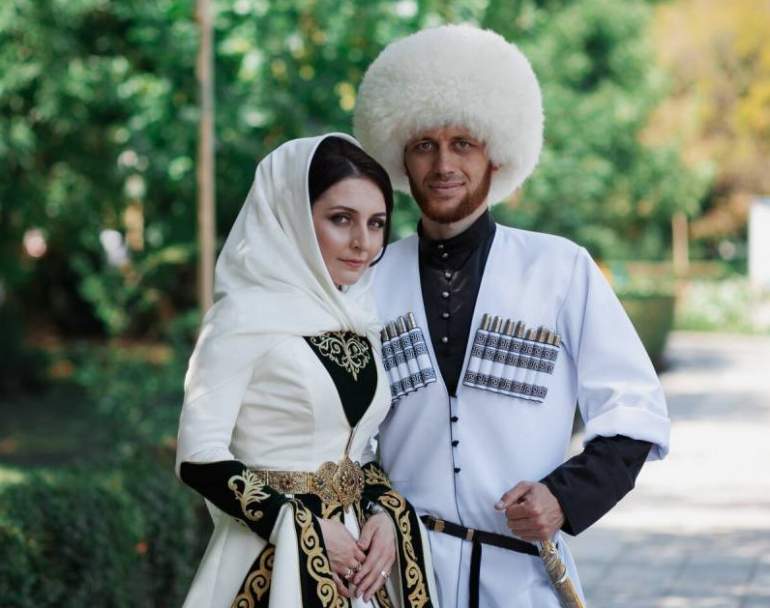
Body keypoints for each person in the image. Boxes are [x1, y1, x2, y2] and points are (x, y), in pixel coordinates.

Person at [353, 25, 671, 608]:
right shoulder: (369, 279)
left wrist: (564, 497)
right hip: (400, 579)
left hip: (523, 581)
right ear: (400, 155)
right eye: (424, 144)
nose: (443, 163)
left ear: (495, 154)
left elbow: (635, 411)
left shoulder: (561, 269)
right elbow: (341, 435)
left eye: (463, 143)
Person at [175, 133, 439, 608]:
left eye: (376, 223)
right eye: (341, 219)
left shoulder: (359, 318)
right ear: (293, 217)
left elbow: (355, 450)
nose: (363, 243)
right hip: (268, 560)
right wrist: (298, 526)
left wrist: (384, 511)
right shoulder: (241, 317)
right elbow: (199, 456)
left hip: (358, 565)